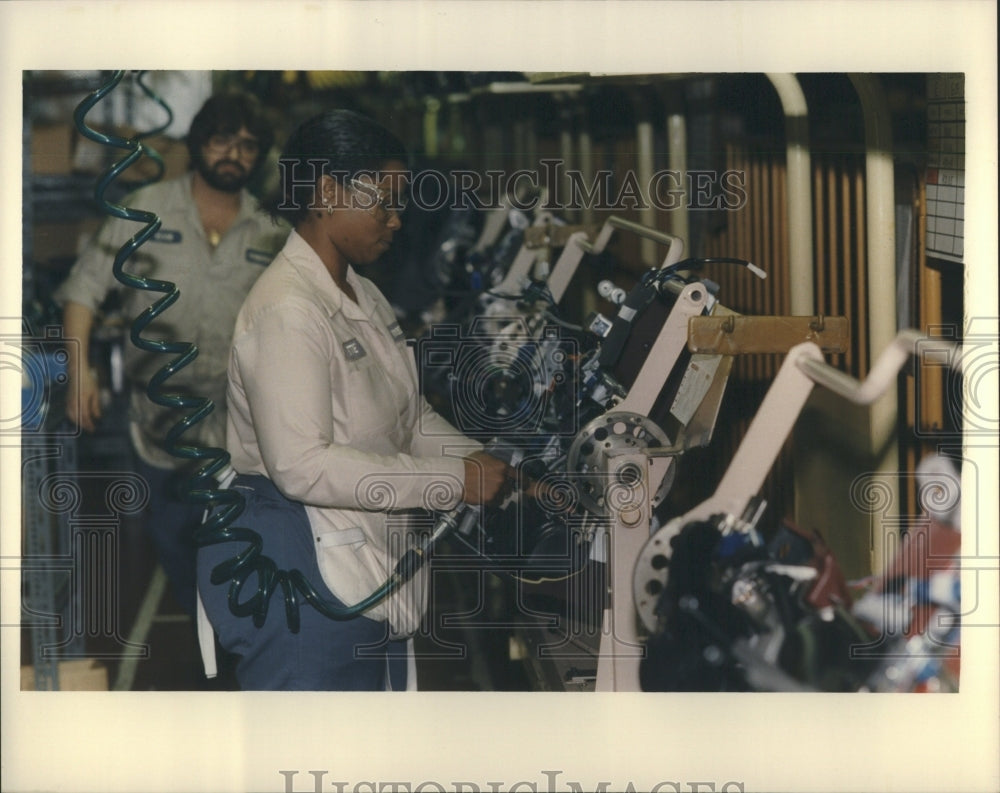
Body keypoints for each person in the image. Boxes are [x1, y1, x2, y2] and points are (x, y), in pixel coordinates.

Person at [196, 109, 512, 691]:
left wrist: (490, 467)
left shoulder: (362, 292)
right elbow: (302, 466)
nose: (395, 220)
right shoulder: (288, 311)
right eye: (383, 201)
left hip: (358, 562)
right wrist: (452, 481)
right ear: (325, 193)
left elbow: (409, 416)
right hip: (304, 578)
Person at [55, 91, 289, 617]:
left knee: (241, 541)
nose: (234, 153)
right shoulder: (145, 209)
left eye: (248, 146)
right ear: (198, 143)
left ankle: (231, 637)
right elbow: (82, 291)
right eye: (222, 140)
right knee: (176, 539)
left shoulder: (272, 230)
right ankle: (197, 635)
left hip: (242, 420)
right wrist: (79, 372)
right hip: (161, 421)